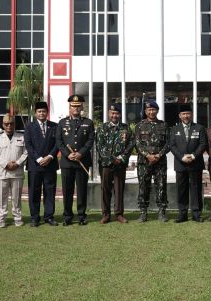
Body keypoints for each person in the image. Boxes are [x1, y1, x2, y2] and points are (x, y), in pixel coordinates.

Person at [55, 94, 95, 226]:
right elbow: (59, 141)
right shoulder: (62, 123)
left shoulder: (88, 123)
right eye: (73, 106)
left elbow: (90, 141)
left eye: (78, 106)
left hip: (82, 161)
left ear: (82, 106)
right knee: (67, 190)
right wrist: (67, 154)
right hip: (67, 162)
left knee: (82, 190)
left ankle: (82, 215)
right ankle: (67, 216)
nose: (76, 108)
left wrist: (81, 153)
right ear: (69, 107)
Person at [96, 104, 134, 224]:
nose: (114, 115)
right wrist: (112, 159)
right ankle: (106, 214)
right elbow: (99, 146)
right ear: (108, 113)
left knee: (119, 189)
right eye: (112, 113)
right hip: (106, 164)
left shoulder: (125, 128)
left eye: (116, 113)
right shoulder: (102, 128)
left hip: (120, 164)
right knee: (105, 189)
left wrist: (122, 158)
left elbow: (131, 144)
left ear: (120, 115)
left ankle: (119, 214)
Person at [169, 104, 208, 223]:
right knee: (182, 189)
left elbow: (203, 144)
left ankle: (196, 213)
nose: (186, 116)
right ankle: (182, 213)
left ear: (191, 114)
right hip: (181, 164)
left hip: (195, 163)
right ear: (180, 116)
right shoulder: (174, 129)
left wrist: (193, 156)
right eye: (183, 114)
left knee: (196, 188)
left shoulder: (199, 128)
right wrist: (182, 157)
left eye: (188, 113)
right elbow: (172, 145)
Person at [23, 100, 58, 227]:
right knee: (34, 192)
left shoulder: (54, 126)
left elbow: (57, 144)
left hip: (50, 165)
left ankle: (49, 216)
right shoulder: (29, 127)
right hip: (35, 165)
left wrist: (49, 156)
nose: (41, 113)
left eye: (44, 111)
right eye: (39, 111)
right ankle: (35, 217)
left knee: (50, 191)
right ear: (35, 113)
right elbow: (28, 145)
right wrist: (38, 158)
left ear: (47, 113)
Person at [135, 100, 170, 222]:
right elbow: (137, 144)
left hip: (160, 162)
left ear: (157, 111)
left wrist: (158, 155)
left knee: (161, 186)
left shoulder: (164, 125)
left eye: (153, 110)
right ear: (145, 111)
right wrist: (147, 155)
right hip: (144, 162)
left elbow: (168, 143)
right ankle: (143, 212)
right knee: (143, 186)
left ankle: (161, 212)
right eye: (149, 110)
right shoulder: (139, 126)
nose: (151, 112)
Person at [0, 113, 28, 228]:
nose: (9, 126)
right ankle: (1, 218)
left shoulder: (21, 137)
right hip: (3, 172)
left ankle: (17, 217)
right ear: (3, 125)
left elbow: (26, 153)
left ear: (14, 124)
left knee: (16, 198)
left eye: (11, 123)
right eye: (6, 124)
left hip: (17, 172)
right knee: (1, 198)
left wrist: (17, 163)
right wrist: (6, 164)